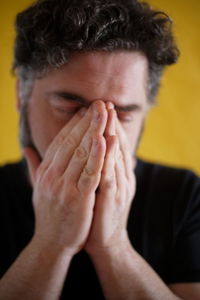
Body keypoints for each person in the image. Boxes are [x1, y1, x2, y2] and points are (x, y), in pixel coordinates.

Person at [0, 0, 200, 298]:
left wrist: (113, 247)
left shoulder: (185, 195)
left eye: (122, 113)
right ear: (22, 94)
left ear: (145, 111)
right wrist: (51, 244)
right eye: (70, 107)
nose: (99, 135)